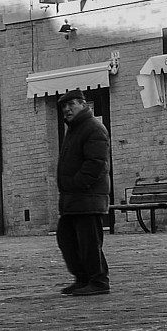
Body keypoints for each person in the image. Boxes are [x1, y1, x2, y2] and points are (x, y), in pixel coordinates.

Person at [55, 95, 112, 296]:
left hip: (87, 196)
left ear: (83, 105)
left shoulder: (93, 128)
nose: (67, 110)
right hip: (72, 198)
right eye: (64, 107)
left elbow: (95, 163)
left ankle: (98, 280)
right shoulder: (75, 129)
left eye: (71, 105)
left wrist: (77, 183)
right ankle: (83, 277)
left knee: (89, 242)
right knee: (67, 238)